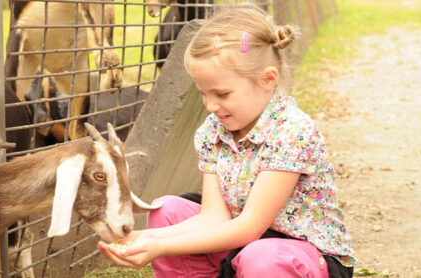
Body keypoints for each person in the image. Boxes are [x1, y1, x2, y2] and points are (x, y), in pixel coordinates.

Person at [97, 4, 355, 278]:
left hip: (298, 254)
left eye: (222, 94)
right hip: (242, 244)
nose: (210, 105)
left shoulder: (292, 131)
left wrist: (160, 245)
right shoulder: (213, 131)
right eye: (203, 94)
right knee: (167, 210)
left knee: (262, 258)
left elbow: (250, 227)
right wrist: (143, 238)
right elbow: (213, 217)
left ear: (268, 79)